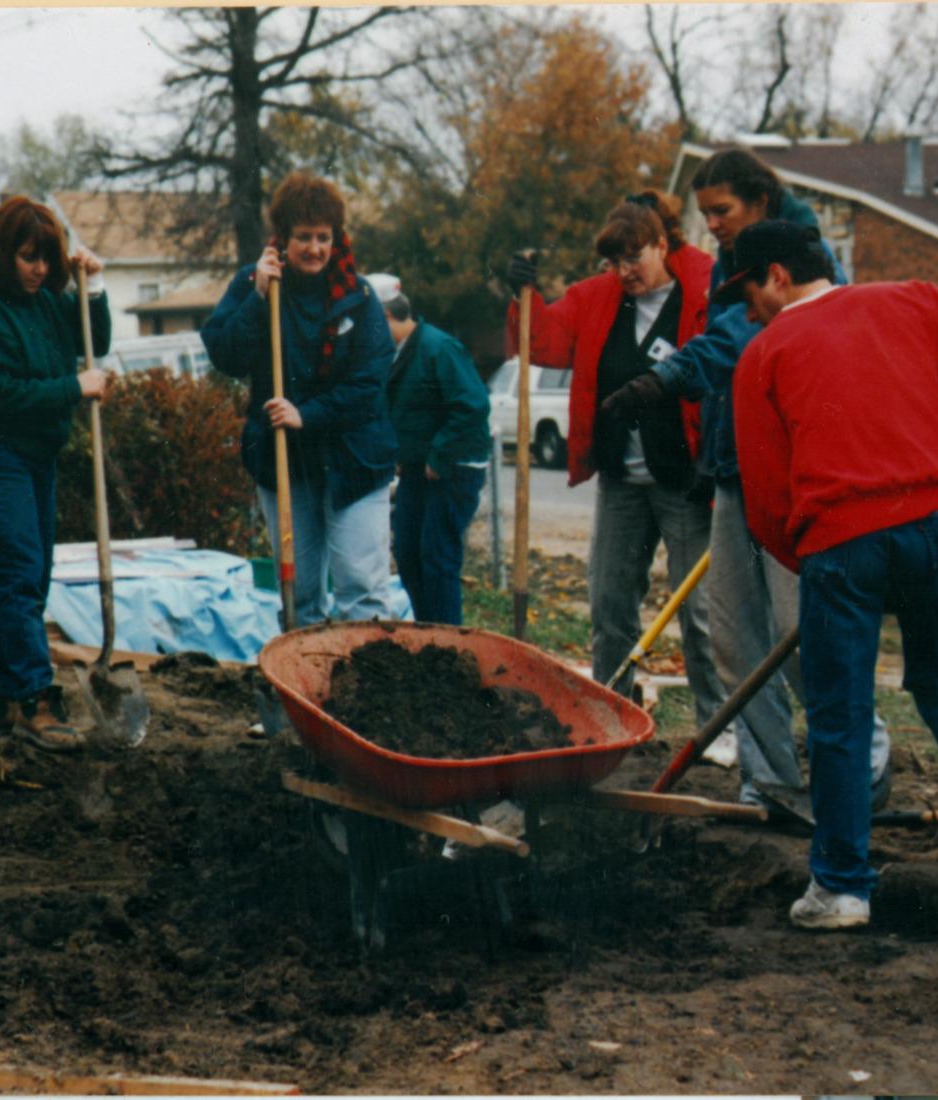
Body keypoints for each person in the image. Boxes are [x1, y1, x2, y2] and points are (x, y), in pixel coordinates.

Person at [721, 220, 938, 929]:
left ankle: (841, 887)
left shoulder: (764, 353)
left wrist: (809, 559)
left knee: (840, 712)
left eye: (747, 291)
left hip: (845, 539)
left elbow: (767, 501)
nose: (745, 311)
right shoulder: (908, 302)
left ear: (777, 274)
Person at [601, 149, 892, 811]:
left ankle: (864, 762)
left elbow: (747, 335)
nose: (713, 227)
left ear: (760, 200)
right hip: (733, 465)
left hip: (794, 471)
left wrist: (667, 376)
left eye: (722, 212)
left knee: (801, 631)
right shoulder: (734, 257)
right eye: (704, 216)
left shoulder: (806, 254)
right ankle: (769, 780)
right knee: (734, 636)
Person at [505, 190, 732, 731]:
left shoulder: (703, 292)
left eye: (634, 257)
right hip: (621, 482)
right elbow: (546, 344)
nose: (623, 271)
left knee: (699, 614)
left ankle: (717, 726)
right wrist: (524, 296)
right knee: (609, 607)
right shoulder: (598, 298)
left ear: (661, 245)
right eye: (614, 261)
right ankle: (609, 718)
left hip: (684, 481)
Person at [0, 195, 111, 752]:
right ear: (1, 253)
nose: (40, 270)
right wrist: (73, 388)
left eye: (47, 259)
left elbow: (94, 340)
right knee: (18, 571)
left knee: (28, 578)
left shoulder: (42, 300)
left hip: (33, 454)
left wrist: (93, 290)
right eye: (28, 257)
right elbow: (2, 396)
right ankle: (35, 699)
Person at [202, 171, 398, 626]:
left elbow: (369, 383)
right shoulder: (255, 282)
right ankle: (300, 689)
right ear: (282, 237)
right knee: (300, 595)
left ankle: (360, 691)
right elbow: (225, 354)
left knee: (362, 591)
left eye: (324, 237)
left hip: (354, 460)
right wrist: (256, 299)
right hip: (287, 462)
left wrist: (306, 414)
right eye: (303, 237)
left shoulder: (359, 296)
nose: (314, 248)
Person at [366, 272, 491, 625]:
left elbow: (472, 405)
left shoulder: (438, 348)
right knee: (407, 552)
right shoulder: (395, 354)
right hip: (419, 471)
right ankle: (426, 632)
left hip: (453, 469)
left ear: (386, 317)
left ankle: (446, 643)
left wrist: (440, 454)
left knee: (437, 558)